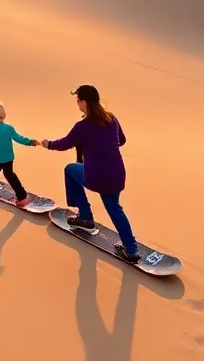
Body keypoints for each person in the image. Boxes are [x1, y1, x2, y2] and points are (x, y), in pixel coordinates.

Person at [41, 84, 140, 263]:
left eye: (78, 100)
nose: (77, 103)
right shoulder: (111, 118)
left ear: (84, 102)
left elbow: (64, 144)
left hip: (96, 176)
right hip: (117, 174)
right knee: (115, 208)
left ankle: (85, 216)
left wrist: (48, 144)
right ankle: (131, 250)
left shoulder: (82, 126)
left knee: (70, 170)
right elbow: (122, 140)